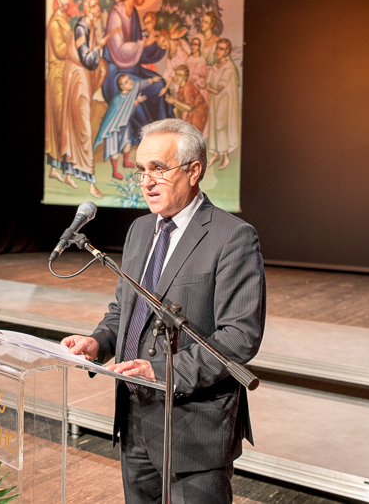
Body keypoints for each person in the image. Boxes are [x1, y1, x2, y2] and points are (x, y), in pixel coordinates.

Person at [61, 118, 265, 504]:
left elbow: (240, 336)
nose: (146, 181)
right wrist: (99, 342)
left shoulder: (232, 237)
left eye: (158, 168)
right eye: (141, 170)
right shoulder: (140, 230)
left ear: (194, 171)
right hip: (135, 418)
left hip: (193, 424)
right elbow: (125, 308)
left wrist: (162, 371)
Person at [102, 0, 173, 149]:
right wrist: (143, 44)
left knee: (159, 84)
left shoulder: (133, 12)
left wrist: (160, 44)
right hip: (117, 73)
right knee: (135, 90)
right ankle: (145, 137)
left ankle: (164, 132)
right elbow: (118, 49)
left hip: (132, 68)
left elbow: (139, 54)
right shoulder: (116, 13)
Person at [61, 0, 114, 198]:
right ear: (86, 8)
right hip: (77, 80)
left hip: (82, 79)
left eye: (97, 4)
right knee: (81, 128)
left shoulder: (91, 26)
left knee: (78, 127)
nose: (96, 8)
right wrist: (100, 45)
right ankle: (90, 181)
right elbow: (87, 59)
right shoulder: (81, 27)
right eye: (92, 5)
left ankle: (70, 172)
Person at [94, 74, 160, 179]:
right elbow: (123, 111)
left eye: (129, 79)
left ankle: (126, 162)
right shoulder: (118, 99)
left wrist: (151, 79)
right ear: (122, 87)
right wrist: (136, 101)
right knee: (114, 150)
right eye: (126, 82)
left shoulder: (131, 91)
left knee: (127, 143)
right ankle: (115, 171)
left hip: (124, 126)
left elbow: (139, 84)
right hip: (114, 128)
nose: (130, 81)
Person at [45, 0, 74, 185]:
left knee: (66, 121)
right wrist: (76, 39)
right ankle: (55, 167)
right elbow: (61, 50)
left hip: (67, 74)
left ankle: (63, 167)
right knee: (58, 121)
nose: (65, 0)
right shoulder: (55, 22)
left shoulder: (67, 19)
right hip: (57, 74)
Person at [205, 39, 240, 171]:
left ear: (227, 52)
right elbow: (209, 83)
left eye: (222, 49)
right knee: (214, 126)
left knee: (221, 126)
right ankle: (217, 154)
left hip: (224, 103)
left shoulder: (229, 68)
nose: (218, 51)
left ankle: (225, 156)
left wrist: (205, 87)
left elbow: (218, 90)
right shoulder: (215, 67)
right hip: (215, 102)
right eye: (217, 48)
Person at [165, 65, 208, 133]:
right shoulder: (181, 87)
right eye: (176, 74)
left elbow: (189, 108)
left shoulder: (187, 87)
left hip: (199, 112)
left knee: (193, 134)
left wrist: (174, 101)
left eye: (180, 75)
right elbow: (183, 108)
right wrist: (173, 102)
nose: (177, 78)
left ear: (185, 77)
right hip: (193, 112)